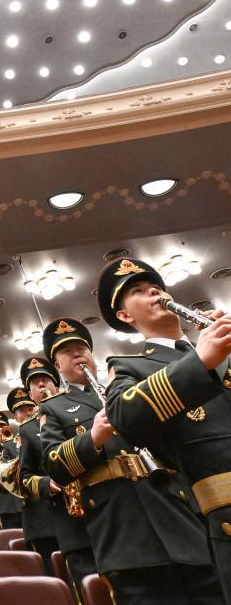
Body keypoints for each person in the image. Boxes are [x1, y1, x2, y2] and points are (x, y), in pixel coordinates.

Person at [40, 314, 221, 604]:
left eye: (82, 348)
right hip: (122, 528)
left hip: (173, 509)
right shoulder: (54, 408)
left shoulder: (123, 384)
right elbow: (54, 466)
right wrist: (93, 438)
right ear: (57, 366)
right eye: (66, 351)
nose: (77, 354)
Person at [100, 257, 231, 604]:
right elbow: (126, 418)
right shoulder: (127, 367)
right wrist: (200, 361)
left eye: (156, 287)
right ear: (125, 316)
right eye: (139, 292)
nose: (155, 294)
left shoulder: (221, 348)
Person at [18, 356, 96, 599]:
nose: (42, 385)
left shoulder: (82, 406)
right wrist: (47, 484)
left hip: (102, 502)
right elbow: (24, 477)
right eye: (36, 383)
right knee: (84, 584)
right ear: (30, 394)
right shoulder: (27, 429)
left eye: (45, 380)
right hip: (67, 515)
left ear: (56, 383)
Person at [10, 374, 58, 574]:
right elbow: (23, 475)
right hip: (42, 515)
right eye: (21, 411)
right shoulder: (25, 431)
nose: (27, 413)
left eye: (28, 409)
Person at [0, 410, 22, 529]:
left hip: (21, 499)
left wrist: (7, 443)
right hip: (6, 504)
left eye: (2, 426)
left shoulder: (16, 443)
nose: (0, 430)